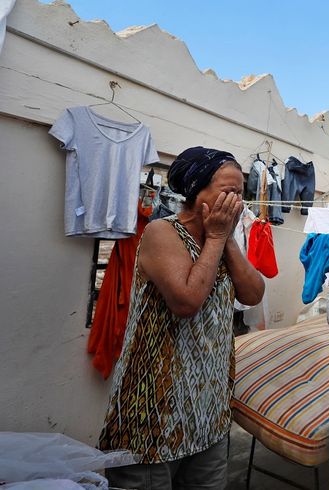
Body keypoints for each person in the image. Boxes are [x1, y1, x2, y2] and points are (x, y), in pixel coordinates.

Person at [99, 146, 265, 489]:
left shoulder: (222, 240)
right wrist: (218, 236)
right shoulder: (162, 232)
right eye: (227, 191)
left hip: (208, 413)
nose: (237, 201)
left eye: (240, 193)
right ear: (195, 191)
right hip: (153, 413)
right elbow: (186, 301)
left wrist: (226, 238)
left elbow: (253, 294)